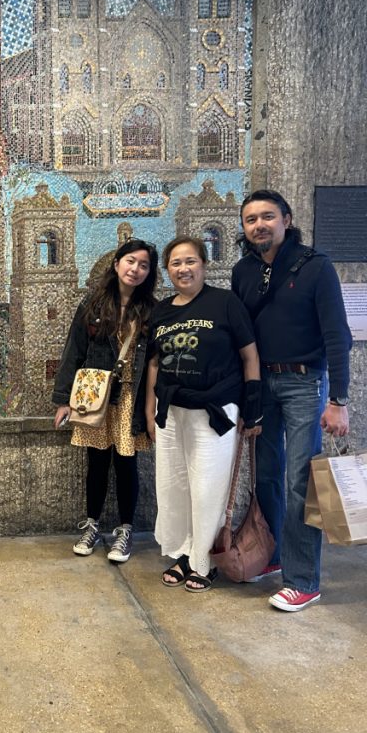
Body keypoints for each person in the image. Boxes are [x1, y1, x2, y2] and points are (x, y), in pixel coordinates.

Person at [231, 190, 351, 612]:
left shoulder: (316, 267)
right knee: (266, 477)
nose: (259, 225)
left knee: (301, 482)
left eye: (267, 216)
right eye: (250, 219)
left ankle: (303, 580)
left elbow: (338, 336)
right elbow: (240, 336)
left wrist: (338, 399)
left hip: (304, 385)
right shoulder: (243, 271)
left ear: (286, 218)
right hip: (261, 385)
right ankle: (276, 554)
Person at [146, 237, 262, 592]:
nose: (184, 268)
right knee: (174, 487)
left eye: (190, 261)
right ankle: (183, 553)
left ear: (204, 265)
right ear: (168, 270)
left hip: (215, 411)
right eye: (176, 263)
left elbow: (250, 356)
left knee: (207, 487)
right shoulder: (162, 311)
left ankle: (205, 561)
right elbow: (153, 362)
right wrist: (150, 409)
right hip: (172, 412)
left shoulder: (225, 303)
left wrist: (253, 407)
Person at [53, 240, 158, 563]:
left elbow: (156, 362)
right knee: (96, 462)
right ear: (116, 264)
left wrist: (153, 409)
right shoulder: (93, 306)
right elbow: (74, 351)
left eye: (143, 265)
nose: (135, 269)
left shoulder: (152, 311)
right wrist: (62, 400)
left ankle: (125, 530)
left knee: (127, 463)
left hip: (131, 395)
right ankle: (92, 525)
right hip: (95, 396)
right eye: (130, 261)